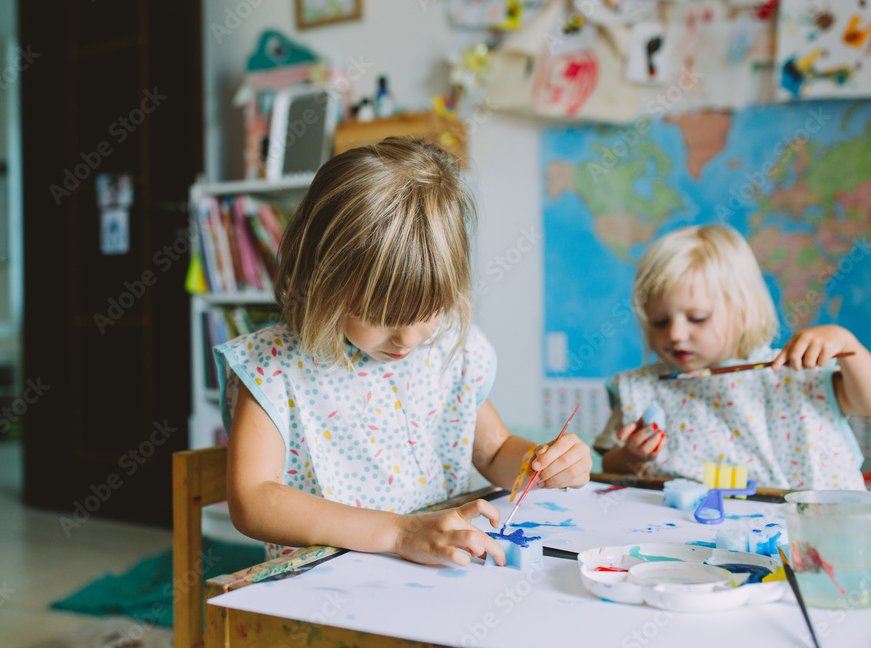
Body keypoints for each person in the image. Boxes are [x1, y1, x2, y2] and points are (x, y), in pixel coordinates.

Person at [216, 138, 592, 567]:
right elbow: (253, 501)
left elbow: (493, 451)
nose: (409, 339)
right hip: (327, 588)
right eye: (381, 315)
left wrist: (542, 464)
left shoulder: (447, 348)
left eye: (429, 310)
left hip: (432, 574)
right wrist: (399, 532)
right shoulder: (274, 368)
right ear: (321, 280)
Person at [595, 225, 871, 490]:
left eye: (697, 318)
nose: (676, 333)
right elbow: (611, 468)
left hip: (816, 529)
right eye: (659, 321)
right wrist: (631, 456)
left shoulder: (794, 371)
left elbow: (865, 402)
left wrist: (847, 344)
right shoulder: (640, 388)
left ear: (743, 312)